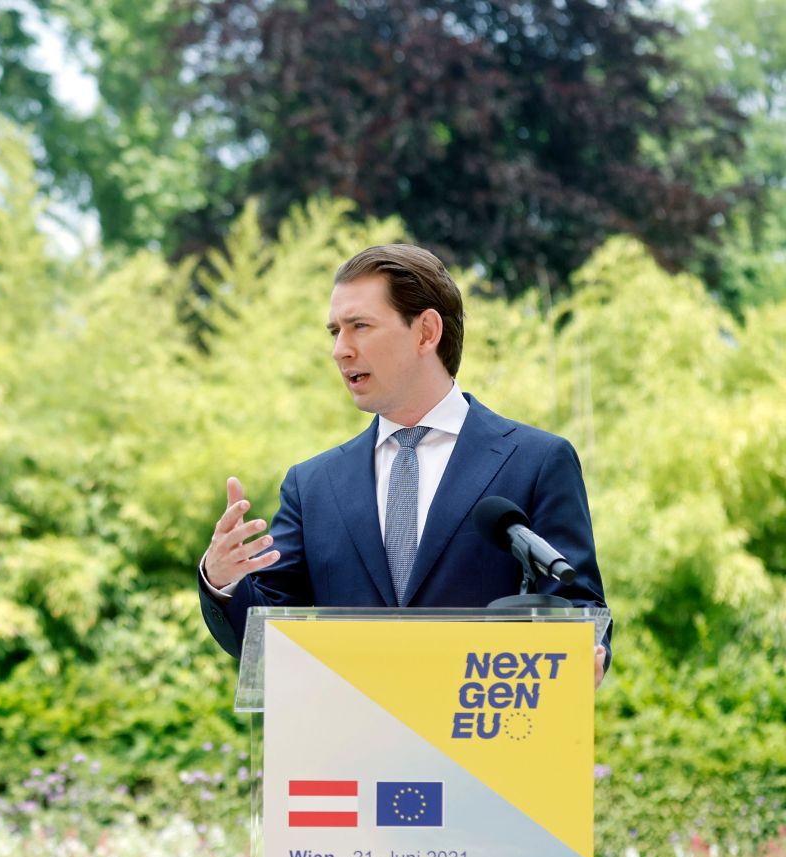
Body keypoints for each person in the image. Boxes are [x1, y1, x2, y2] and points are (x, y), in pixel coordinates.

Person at [197, 244, 609, 680]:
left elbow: (578, 605)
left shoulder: (537, 461)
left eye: (359, 326)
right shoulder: (312, 485)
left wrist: (585, 656)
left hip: (485, 736)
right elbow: (265, 638)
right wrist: (223, 579)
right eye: (334, 331)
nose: (340, 349)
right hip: (352, 741)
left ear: (426, 332)